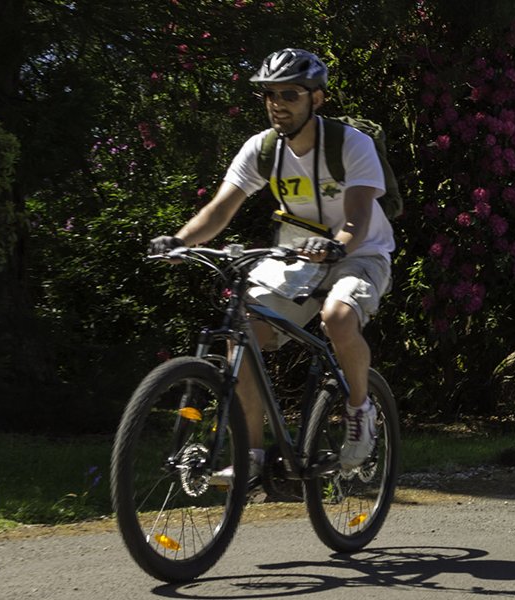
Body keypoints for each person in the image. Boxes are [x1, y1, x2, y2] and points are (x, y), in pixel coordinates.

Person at [148, 48, 394, 483]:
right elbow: (221, 208)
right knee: (243, 332)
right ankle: (253, 455)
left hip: (360, 253)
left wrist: (337, 247)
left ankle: (360, 411)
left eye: (290, 95)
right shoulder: (261, 149)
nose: (278, 103)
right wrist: (180, 240)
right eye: (269, 95)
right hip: (298, 259)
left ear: (316, 99)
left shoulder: (351, 144)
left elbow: (356, 218)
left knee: (338, 318)